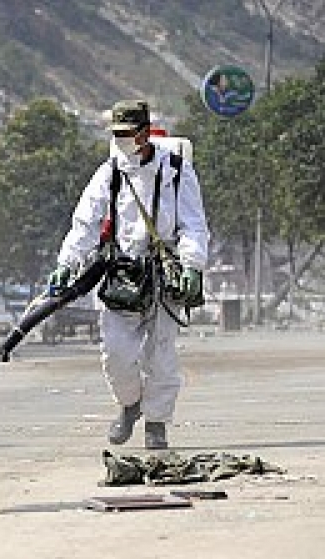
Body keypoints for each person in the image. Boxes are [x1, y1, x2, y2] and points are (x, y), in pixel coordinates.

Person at [48, 100, 209, 449]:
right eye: (116, 133)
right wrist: (67, 262)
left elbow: (194, 225)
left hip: (164, 273)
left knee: (161, 354)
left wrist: (193, 266)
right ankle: (130, 404)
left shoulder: (177, 171)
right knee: (115, 354)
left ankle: (156, 423)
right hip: (121, 272)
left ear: (145, 132)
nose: (120, 139)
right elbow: (85, 222)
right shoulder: (110, 172)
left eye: (126, 133)